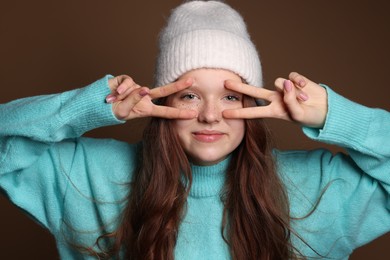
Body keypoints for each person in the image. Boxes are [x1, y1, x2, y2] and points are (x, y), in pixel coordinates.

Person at [0, 0, 389, 259]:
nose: (209, 115)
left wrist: (335, 115)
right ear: (162, 102)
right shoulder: (89, 175)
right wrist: (89, 107)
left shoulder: (318, 186)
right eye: (188, 96)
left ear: (253, 105)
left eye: (230, 97)